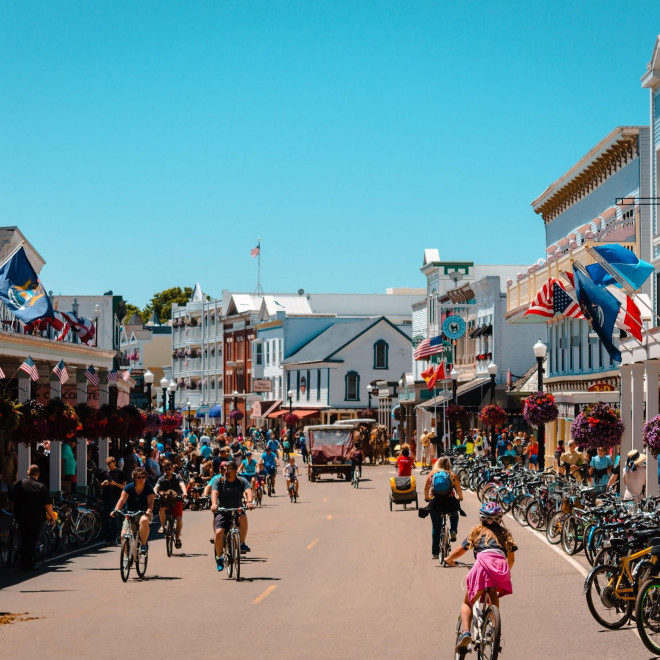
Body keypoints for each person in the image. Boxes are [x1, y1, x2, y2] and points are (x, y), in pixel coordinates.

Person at [446, 502, 517, 654]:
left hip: (482, 566)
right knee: (493, 594)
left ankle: (465, 634)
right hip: (500, 568)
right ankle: (493, 626)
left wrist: (449, 559)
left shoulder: (477, 532)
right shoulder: (505, 535)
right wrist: (504, 572)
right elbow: (511, 559)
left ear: (482, 518)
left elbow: (460, 550)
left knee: (467, 603)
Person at [10, 465, 57, 571]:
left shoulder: (19, 484)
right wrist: (52, 516)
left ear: (28, 473)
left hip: (21, 516)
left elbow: (12, 501)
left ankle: (23, 562)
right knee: (31, 540)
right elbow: (48, 505)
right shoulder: (40, 487)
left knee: (24, 538)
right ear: (38, 474)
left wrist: (14, 514)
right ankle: (28, 564)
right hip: (35, 518)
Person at [211, 460, 254, 571]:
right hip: (223, 511)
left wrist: (249, 502)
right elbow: (214, 493)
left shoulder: (241, 481)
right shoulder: (219, 481)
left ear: (235, 470)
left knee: (243, 517)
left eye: (229, 469)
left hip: (237, 509)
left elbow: (248, 490)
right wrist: (214, 504)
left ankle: (242, 543)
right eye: (225, 469)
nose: (226, 471)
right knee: (219, 532)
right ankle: (219, 557)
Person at [424, 456, 463, 553]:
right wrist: (460, 497)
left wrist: (426, 498)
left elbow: (426, 488)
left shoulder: (432, 474)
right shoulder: (451, 475)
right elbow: (458, 488)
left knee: (436, 527)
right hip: (450, 502)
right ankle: (453, 530)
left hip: (436, 502)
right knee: (454, 515)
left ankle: (435, 552)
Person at [111, 467, 155, 553]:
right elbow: (122, 500)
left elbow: (150, 502)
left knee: (144, 520)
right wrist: (115, 510)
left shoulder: (148, 487)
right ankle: (127, 557)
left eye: (143, 477)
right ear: (134, 478)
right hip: (130, 514)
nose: (141, 479)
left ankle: (143, 545)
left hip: (144, 513)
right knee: (123, 536)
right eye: (139, 477)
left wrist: (148, 511)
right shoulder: (128, 487)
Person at [154, 460, 187, 549]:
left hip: (177, 499)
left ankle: (178, 538)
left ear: (172, 469)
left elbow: (182, 485)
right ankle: (162, 525)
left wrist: (184, 493)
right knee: (162, 508)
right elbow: (156, 487)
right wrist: (155, 493)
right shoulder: (161, 478)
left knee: (179, 519)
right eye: (165, 469)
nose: (167, 471)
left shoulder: (177, 477)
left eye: (169, 469)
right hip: (165, 499)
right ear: (163, 470)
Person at [99, 457, 126, 546]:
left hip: (117, 498)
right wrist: (104, 484)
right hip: (106, 497)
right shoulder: (105, 473)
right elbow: (100, 485)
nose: (110, 467)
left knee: (114, 518)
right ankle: (108, 539)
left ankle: (114, 538)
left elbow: (124, 487)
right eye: (109, 466)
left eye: (111, 465)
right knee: (105, 519)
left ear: (114, 463)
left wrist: (115, 484)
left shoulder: (120, 473)